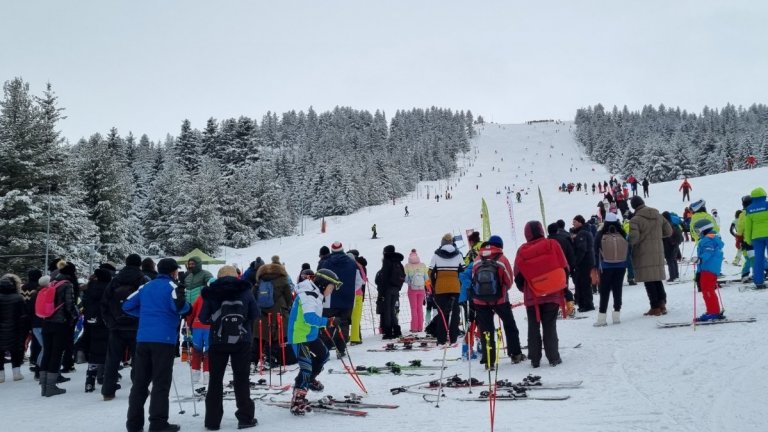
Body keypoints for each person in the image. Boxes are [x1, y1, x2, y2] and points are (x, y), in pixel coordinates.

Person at [124, 258, 190, 432]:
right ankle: (158, 422)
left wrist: (146, 312)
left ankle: (133, 423)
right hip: (164, 339)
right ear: (173, 272)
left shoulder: (146, 287)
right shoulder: (172, 287)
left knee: (140, 382)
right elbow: (181, 307)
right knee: (160, 382)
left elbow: (127, 305)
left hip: (143, 338)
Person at [199, 266, 259, 430]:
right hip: (242, 340)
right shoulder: (245, 291)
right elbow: (255, 314)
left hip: (217, 342)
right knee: (241, 379)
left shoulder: (211, 293)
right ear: (236, 276)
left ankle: (212, 421)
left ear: (218, 277)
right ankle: (245, 418)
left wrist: (216, 321)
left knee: (215, 380)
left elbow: (203, 318)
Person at [514, 221, 567, 368]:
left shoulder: (522, 250)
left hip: (533, 296)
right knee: (550, 326)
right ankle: (553, 357)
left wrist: (527, 289)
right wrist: (562, 286)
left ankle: (535, 359)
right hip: (553, 292)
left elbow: (518, 276)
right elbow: (564, 265)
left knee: (533, 326)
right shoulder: (552, 244)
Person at [287, 269, 339, 415]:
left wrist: (327, 323)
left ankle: (308, 380)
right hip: (299, 336)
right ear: (323, 284)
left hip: (310, 334)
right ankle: (297, 400)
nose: (332, 291)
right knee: (306, 368)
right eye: (331, 287)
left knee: (324, 355)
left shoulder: (316, 294)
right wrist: (329, 322)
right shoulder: (308, 295)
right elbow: (309, 318)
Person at [470, 236, 525, 368]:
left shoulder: (477, 259)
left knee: (486, 330)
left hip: (480, 300)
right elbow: (509, 281)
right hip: (500, 299)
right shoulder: (502, 258)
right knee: (509, 325)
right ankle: (515, 354)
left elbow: (473, 279)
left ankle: (489, 360)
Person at [101, 254, 150, 401]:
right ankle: (139, 388)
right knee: (138, 359)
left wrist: (110, 322)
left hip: (116, 326)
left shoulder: (115, 280)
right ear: (139, 264)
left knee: (112, 359)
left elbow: (105, 302)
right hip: (136, 325)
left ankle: (108, 391)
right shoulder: (143, 280)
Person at [39, 262, 79, 397]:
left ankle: (44, 386)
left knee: (47, 352)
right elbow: (69, 305)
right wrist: (75, 316)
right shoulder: (67, 284)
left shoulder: (52, 282)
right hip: (59, 324)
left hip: (46, 321)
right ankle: (51, 387)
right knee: (56, 353)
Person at [628, 196, 673, 316]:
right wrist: (657, 237)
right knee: (657, 279)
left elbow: (634, 238)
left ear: (633, 206)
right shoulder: (658, 214)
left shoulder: (635, 219)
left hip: (643, 253)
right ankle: (662, 304)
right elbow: (668, 232)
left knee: (649, 280)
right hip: (658, 251)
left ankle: (655, 307)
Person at [318, 241, 362, 358]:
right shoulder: (352, 263)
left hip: (329, 300)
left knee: (328, 323)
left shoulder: (325, 263)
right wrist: (349, 290)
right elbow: (359, 282)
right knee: (343, 323)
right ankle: (341, 349)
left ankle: (325, 349)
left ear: (331, 250)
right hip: (347, 299)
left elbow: (319, 280)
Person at [253, 255, 293, 368]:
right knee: (277, 336)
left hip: (261, 313)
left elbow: (253, 295)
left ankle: (252, 360)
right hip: (279, 311)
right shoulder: (283, 280)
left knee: (260, 336)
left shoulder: (260, 281)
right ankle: (270, 359)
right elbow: (289, 298)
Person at [592, 213, 628, 326]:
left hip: (606, 266)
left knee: (605, 291)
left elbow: (595, 249)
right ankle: (616, 316)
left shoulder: (600, 233)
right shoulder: (622, 233)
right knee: (618, 290)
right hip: (621, 265)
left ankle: (602, 318)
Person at [428, 233, 464, 345]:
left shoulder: (436, 255)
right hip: (455, 287)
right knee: (455, 313)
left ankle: (442, 339)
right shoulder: (458, 255)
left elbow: (430, 272)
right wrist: (459, 284)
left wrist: (435, 284)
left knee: (442, 313)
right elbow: (462, 271)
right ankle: (453, 338)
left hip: (441, 288)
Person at [82, 267, 112, 392]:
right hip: (106, 323)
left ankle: (89, 381)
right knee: (109, 352)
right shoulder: (109, 289)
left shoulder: (90, 289)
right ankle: (106, 378)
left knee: (94, 352)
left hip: (92, 323)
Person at [693, 219, 725, 321]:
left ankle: (713, 312)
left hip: (708, 268)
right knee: (708, 289)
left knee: (707, 289)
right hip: (710, 268)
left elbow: (708, 251)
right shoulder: (712, 238)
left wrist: (701, 259)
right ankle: (712, 310)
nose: (697, 233)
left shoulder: (707, 240)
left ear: (703, 229)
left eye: (698, 231)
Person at [0, 274, 26, 383]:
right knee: (16, 351)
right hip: (15, 329)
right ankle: (16, 373)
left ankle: (1, 376)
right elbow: (24, 315)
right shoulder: (19, 298)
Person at [547, 222, 576, 316]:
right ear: (557, 230)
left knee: (552, 290)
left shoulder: (545, 242)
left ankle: (556, 309)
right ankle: (570, 308)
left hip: (550, 270)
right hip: (563, 268)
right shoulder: (564, 240)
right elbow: (570, 254)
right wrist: (571, 268)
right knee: (564, 287)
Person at [376, 245, 405, 339]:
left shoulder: (387, 260)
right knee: (393, 310)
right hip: (396, 289)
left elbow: (384, 276)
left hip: (388, 289)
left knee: (387, 310)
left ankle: (388, 332)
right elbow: (402, 275)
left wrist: (382, 290)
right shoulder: (398, 261)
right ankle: (397, 330)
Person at [744, 187, 768, 289]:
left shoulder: (749, 209)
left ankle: (758, 281)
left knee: (758, 259)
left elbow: (748, 226)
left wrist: (748, 239)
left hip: (756, 237)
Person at [571, 215, 595, 312]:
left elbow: (582, 249)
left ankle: (588, 304)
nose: (573, 224)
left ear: (580, 222)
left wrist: (576, 262)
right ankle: (584, 304)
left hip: (584, 262)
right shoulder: (583, 232)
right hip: (586, 261)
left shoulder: (582, 233)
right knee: (582, 283)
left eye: (575, 222)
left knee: (584, 283)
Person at [404, 249, 429, 333]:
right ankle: (420, 327)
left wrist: (410, 283)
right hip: (421, 290)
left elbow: (405, 279)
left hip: (412, 290)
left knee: (413, 308)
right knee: (420, 308)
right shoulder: (423, 265)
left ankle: (414, 328)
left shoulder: (407, 266)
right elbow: (426, 278)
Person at [661, 212, 684, 283]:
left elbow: (666, 236)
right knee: (673, 260)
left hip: (668, 245)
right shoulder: (674, 224)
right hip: (675, 244)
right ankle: (676, 274)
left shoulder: (666, 225)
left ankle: (672, 276)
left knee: (670, 260)